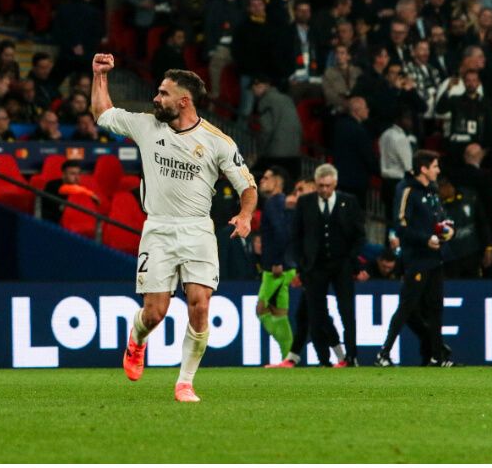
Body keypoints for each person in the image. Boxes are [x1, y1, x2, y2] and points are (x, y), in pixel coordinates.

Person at [92, 55, 257, 402]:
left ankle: (185, 382)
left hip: (197, 230)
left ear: (184, 101)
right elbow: (103, 113)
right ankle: (137, 340)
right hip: (158, 229)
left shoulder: (218, 142)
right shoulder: (146, 126)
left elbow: (248, 187)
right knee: (155, 313)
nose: (156, 98)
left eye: (163, 94)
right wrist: (99, 76)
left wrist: (245, 216)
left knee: (199, 304)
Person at [377, 150, 457, 367]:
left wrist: (446, 228)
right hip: (417, 258)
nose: (438, 170)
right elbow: (400, 225)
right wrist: (425, 240)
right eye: (435, 166)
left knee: (436, 307)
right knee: (407, 306)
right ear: (423, 168)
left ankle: (437, 357)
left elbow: (439, 216)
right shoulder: (407, 189)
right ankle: (384, 353)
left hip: (435, 257)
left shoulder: (432, 190)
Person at [289, 164, 365, 367]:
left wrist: (352, 260)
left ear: (335, 184)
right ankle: (323, 359)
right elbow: (296, 236)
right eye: (321, 185)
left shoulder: (349, 202)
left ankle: (351, 357)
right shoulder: (305, 202)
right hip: (315, 267)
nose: (324, 190)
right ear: (316, 184)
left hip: (342, 265)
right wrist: (302, 265)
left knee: (347, 312)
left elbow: (359, 235)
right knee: (316, 314)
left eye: (328, 186)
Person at [255, 167, 296, 362]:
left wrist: (277, 261)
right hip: (282, 266)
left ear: (277, 182)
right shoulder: (280, 202)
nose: (262, 180)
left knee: (261, 310)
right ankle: (288, 358)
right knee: (280, 313)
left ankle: (289, 352)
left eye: (267, 177)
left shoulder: (274, 203)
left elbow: (282, 233)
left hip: (276, 269)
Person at [251, 75, 303, 180]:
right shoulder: (286, 98)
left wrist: (260, 152)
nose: (253, 92)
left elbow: (267, 130)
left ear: (261, 86)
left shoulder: (266, 101)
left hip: (275, 155)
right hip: (294, 153)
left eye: (254, 88)